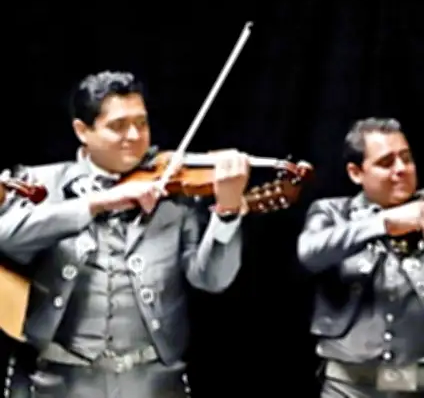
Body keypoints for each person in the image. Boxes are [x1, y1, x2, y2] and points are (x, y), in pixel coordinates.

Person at [0, 70, 249, 398]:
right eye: (118, 126)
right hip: (57, 380)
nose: (134, 135)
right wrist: (98, 202)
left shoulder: (176, 195)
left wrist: (227, 213)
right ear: (82, 131)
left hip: (151, 382)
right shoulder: (40, 185)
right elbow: (6, 236)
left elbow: (212, 279)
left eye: (142, 123)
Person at [297, 118, 424, 398]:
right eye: (386, 163)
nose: (401, 169)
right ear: (356, 173)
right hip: (347, 389)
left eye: (407, 159)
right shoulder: (332, 213)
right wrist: (384, 222)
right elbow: (310, 252)